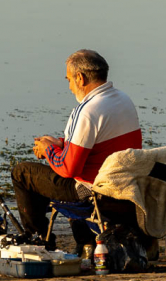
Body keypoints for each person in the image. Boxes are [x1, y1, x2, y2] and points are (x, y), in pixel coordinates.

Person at [11, 49, 142, 250]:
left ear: (80, 78)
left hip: (93, 191)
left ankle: (39, 241)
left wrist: (48, 150)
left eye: (69, 80)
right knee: (43, 174)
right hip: (124, 187)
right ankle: (85, 241)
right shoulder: (123, 100)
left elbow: (68, 169)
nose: (70, 87)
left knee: (23, 173)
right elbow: (100, 142)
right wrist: (60, 143)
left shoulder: (88, 110)